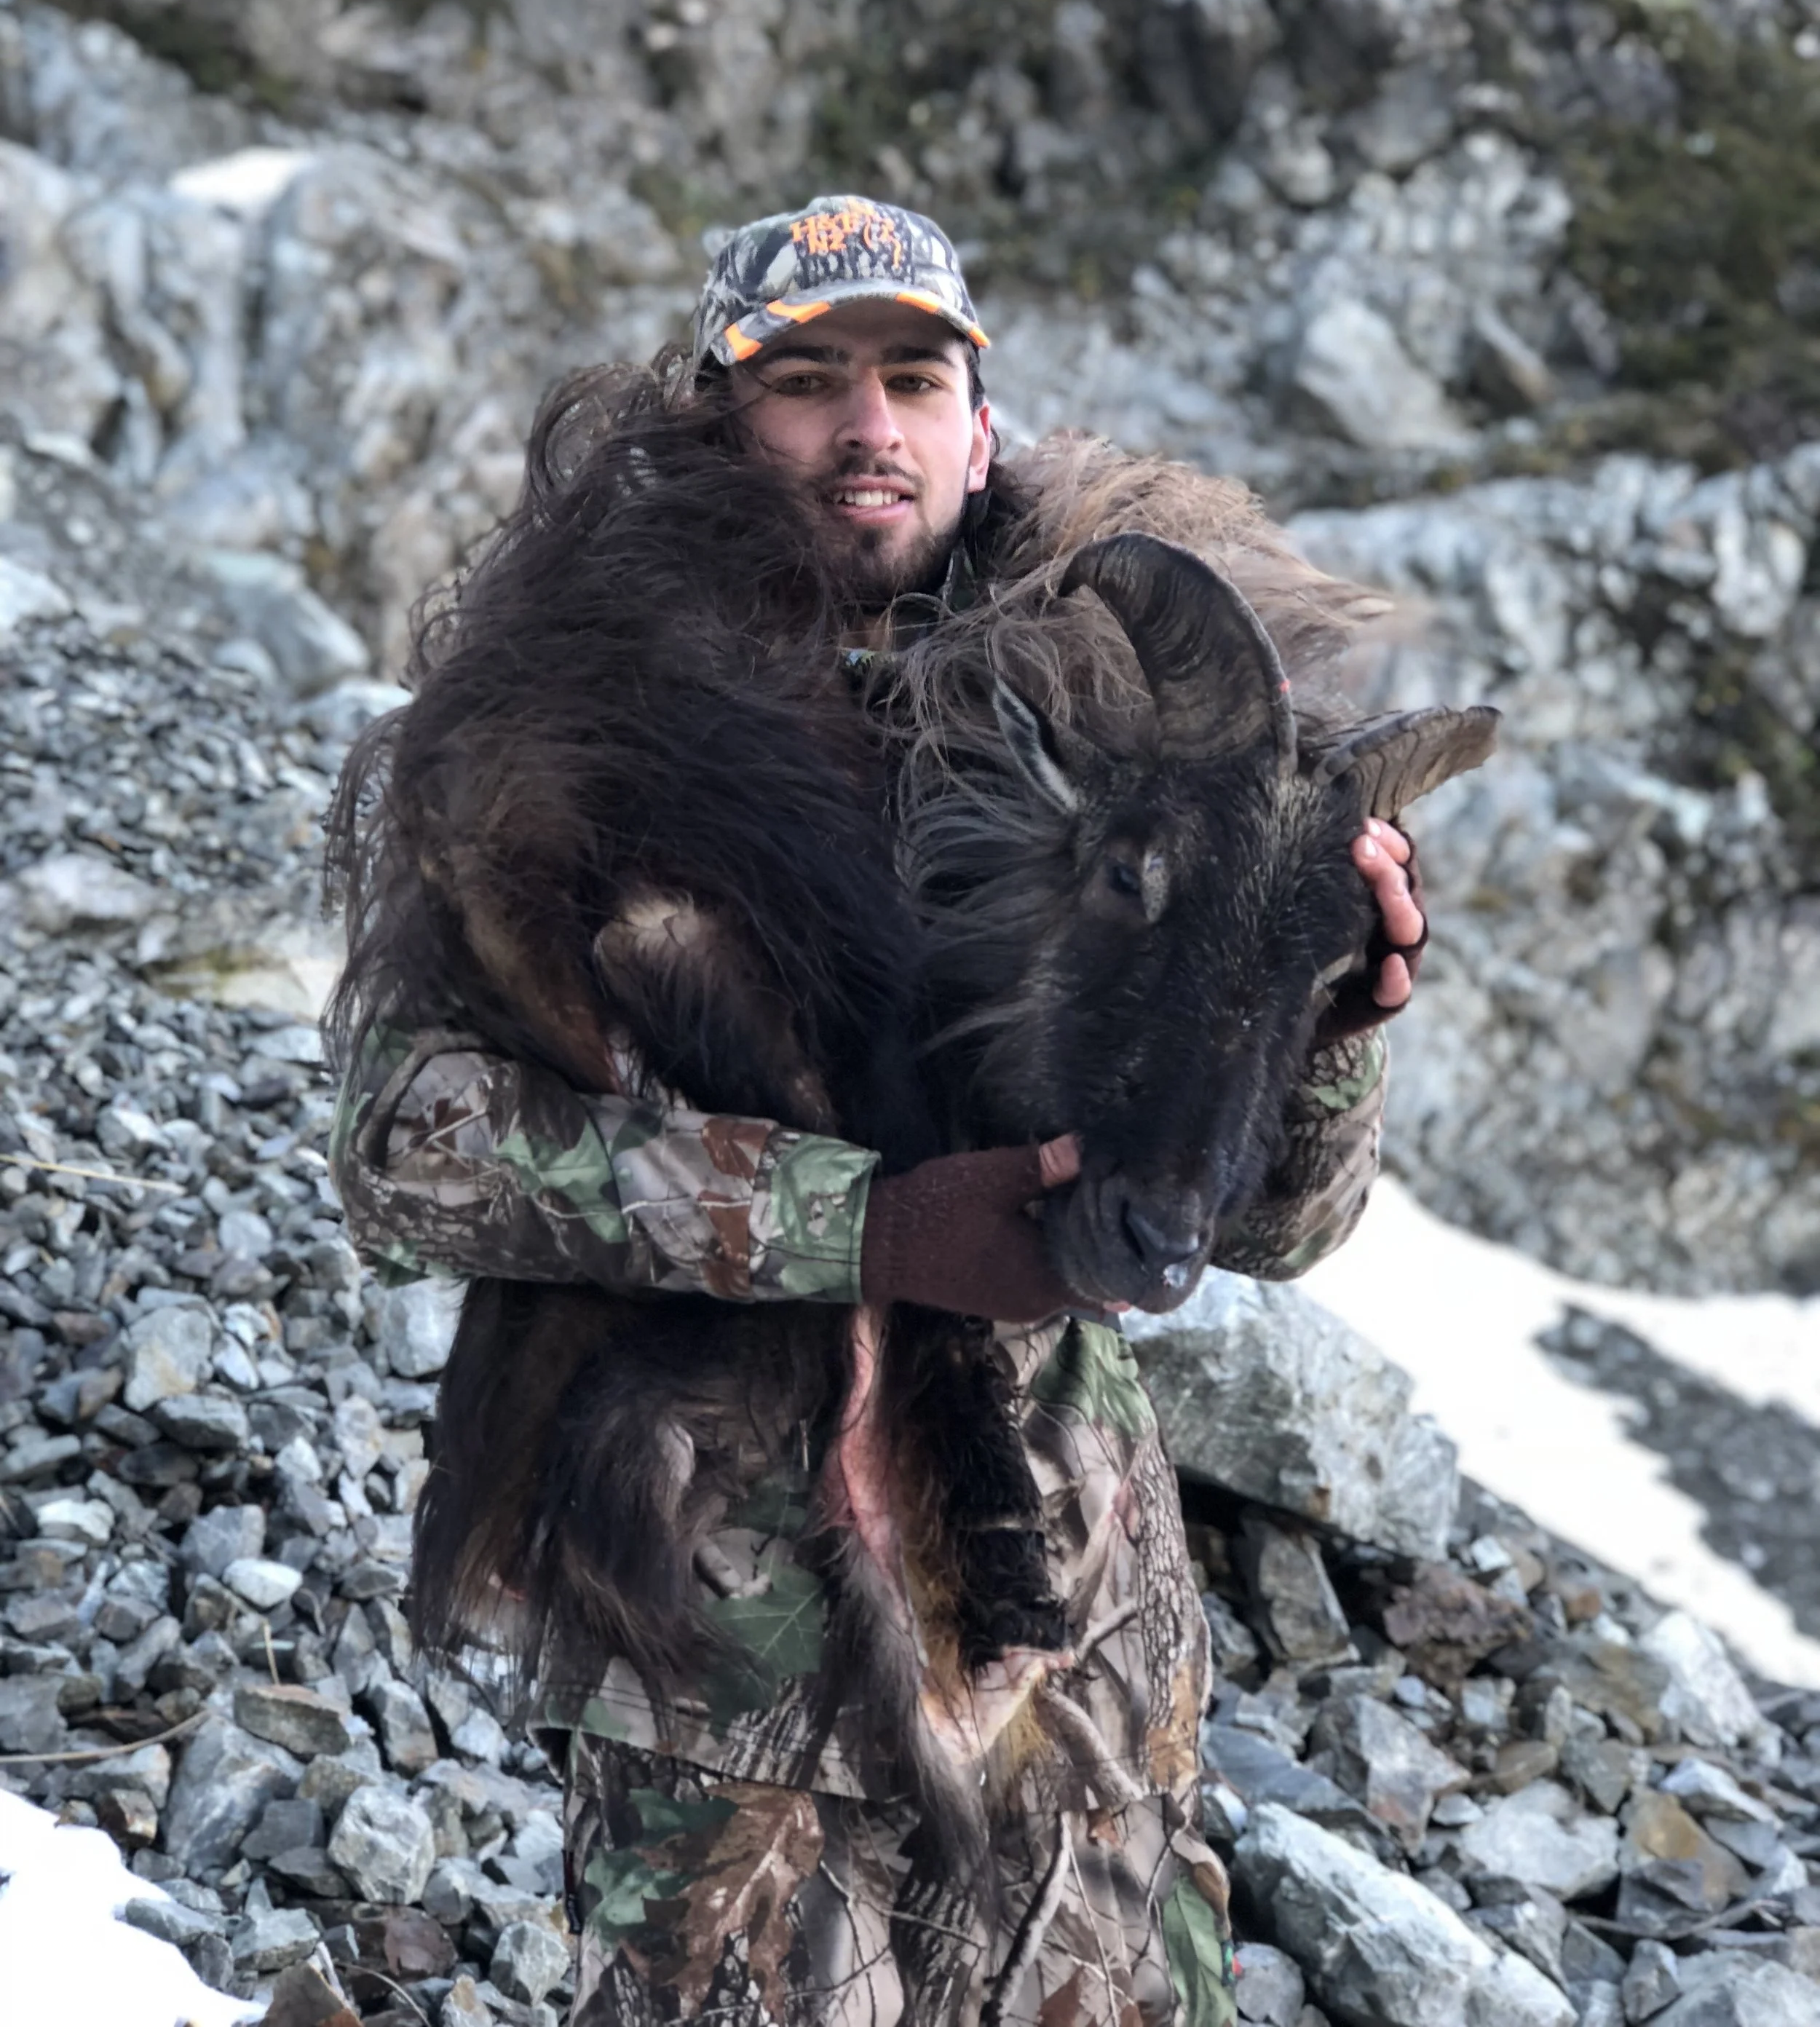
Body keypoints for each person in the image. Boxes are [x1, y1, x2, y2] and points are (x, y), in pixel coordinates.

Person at [327, 195, 1425, 2026]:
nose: (868, 428)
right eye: (807, 384)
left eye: (913, 378)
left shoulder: (1144, 730)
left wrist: (1320, 1033)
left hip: (1073, 1656)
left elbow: (1266, 1232)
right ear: (716, 422)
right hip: (731, 1660)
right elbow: (404, 1145)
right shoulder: (560, 731)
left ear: (976, 420)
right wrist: (857, 1222)